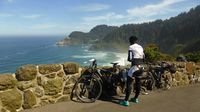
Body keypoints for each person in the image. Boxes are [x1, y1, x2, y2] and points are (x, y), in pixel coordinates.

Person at [120, 35, 145, 106]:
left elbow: (130, 58)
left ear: (130, 41)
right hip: (142, 67)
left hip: (135, 67)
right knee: (138, 83)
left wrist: (132, 62)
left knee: (129, 82)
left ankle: (126, 101)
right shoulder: (141, 47)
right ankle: (136, 98)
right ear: (136, 41)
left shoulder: (131, 47)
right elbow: (144, 57)